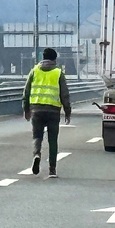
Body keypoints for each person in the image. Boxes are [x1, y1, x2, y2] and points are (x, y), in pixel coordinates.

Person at [22, 48, 71, 178]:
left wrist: (26, 109)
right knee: (52, 140)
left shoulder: (34, 71)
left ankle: (36, 154)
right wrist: (67, 111)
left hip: (36, 109)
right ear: (55, 59)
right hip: (53, 111)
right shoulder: (58, 73)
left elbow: (26, 92)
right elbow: (64, 94)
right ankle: (52, 169)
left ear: (42, 58)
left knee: (37, 136)